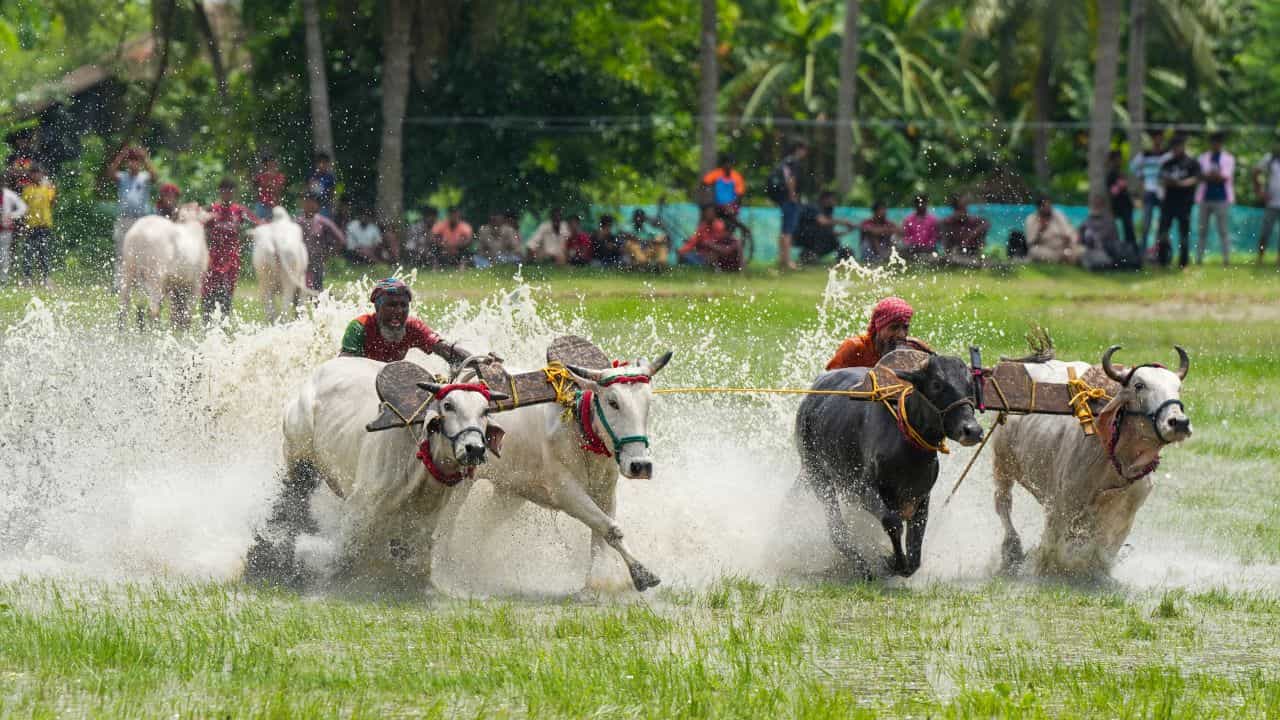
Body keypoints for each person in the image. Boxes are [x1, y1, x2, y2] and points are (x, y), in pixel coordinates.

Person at [340, 278, 480, 364]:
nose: (399, 311)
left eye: (403, 305)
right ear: (377, 307)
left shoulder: (413, 327)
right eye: (392, 305)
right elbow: (345, 367)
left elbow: (444, 349)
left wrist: (476, 363)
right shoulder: (359, 327)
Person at [203, 178, 262, 319]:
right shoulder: (212, 210)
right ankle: (207, 320)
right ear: (220, 192)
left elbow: (258, 224)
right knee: (209, 289)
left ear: (233, 192)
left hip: (231, 258)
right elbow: (199, 225)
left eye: (229, 191)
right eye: (224, 191)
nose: (227, 194)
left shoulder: (239, 211)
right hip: (213, 256)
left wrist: (248, 236)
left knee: (227, 290)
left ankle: (225, 321)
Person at [826, 296, 932, 370]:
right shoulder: (855, 348)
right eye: (894, 328)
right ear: (878, 327)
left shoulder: (915, 348)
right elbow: (828, 383)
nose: (901, 334)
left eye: (905, 327)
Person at [105, 146, 155, 289]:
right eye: (131, 160)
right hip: (125, 219)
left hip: (140, 220)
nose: (133, 163)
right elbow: (110, 174)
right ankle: (119, 284)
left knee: (142, 252)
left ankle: (141, 283)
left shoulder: (144, 177)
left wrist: (145, 158)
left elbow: (155, 176)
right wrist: (120, 156)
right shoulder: (123, 177)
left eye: (136, 161)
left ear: (140, 162)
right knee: (122, 251)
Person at [1157, 134, 1201, 268]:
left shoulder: (1191, 163)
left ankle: (1183, 262)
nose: (1176, 149)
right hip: (1168, 203)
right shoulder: (1167, 163)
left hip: (1184, 203)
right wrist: (1170, 182)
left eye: (1178, 146)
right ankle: (1163, 260)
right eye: (1174, 147)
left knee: (1184, 234)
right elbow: (1161, 179)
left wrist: (1180, 183)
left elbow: (1196, 179)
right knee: (1163, 232)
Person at [1196, 131, 1234, 265]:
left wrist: (1210, 176)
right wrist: (1213, 176)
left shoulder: (1228, 158)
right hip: (1205, 198)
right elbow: (1200, 176)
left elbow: (1225, 177)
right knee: (1202, 230)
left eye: (1217, 142)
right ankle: (1199, 258)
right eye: (1213, 142)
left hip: (1222, 198)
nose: (1215, 144)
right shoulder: (1203, 158)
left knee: (1223, 230)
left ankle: (1226, 259)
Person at [768, 139, 808, 269]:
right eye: (804, 150)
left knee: (784, 229)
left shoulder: (785, 161)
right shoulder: (793, 162)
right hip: (789, 200)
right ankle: (787, 260)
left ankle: (782, 259)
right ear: (798, 149)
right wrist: (793, 196)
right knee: (788, 230)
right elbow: (791, 179)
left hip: (783, 200)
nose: (805, 153)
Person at [296, 192, 344, 291]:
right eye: (306, 202)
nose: (308, 205)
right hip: (300, 260)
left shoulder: (323, 222)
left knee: (317, 288)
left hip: (316, 260)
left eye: (311, 202)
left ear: (317, 206)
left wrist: (329, 253)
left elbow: (341, 239)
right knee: (298, 288)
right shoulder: (297, 222)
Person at [1079, 193, 1141, 271]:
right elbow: (1082, 236)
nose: (1096, 206)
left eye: (1097, 204)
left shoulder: (1108, 219)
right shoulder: (1088, 221)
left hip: (1108, 248)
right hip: (1098, 249)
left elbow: (1108, 237)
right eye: (1095, 204)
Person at [1129, 132, 1168, 253]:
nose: (1158, 141)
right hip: (1149, 190)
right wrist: (1141, 177)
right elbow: (1133, 166)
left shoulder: (1166, 154)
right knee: (1146, 223)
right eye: (1156, 138)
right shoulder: (1145, 154)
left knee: (1163, 223)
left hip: (1162, 192)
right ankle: (1142, 251)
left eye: (1160, 139)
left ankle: (1160, 251)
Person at [19, 164, 56, 286]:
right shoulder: (27, 189)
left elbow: (53, 202)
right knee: (28, 251)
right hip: (30, 225)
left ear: (42, 174)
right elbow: (23, 208)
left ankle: (46, 277)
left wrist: (49, 186)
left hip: (44, 225)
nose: (36, 176)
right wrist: (23, 224)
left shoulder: (48, 188)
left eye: (38, 173)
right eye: (33, 173)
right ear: (30, 175)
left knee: (43, 251)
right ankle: (27, 277)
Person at [794, 191, 855, 265]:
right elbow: (822, 221)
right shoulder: (814, 206)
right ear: (825, 199)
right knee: (825, 237)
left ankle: (812, 255)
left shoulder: (827, 210)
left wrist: (847, 231)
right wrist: (844, 222)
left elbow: (831, 233)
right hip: (806, 236)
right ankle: (809, 255)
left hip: (817, 237)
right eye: (833, 199)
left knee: (834, 242)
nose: (834, 202)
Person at [678, 204, 743, 271]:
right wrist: (682, 250)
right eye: (707, 213)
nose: (708, 215)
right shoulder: (703, 226)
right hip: (704, 254)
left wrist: (710, 244)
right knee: (687, 256)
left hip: (717, 253)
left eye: (710, 212)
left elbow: (720, 243)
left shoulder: (720, 226)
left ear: (714, 214)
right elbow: (693, 241)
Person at [1024, 195, 1080, 264]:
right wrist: (1041, 230)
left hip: (1063, 246)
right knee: (1034, 251)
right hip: (1047, 249)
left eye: (1049, 205)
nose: (1048, 208)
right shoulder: (1031, 219)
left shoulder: (1058, 215)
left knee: (1080, 250)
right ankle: (1063, 258)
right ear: (1039, 207)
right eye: (1045, 206)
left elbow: (1069, 232)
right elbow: (1030, 243)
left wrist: (1068, 239)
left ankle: (1066, 257)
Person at [937, 195, 990, 265]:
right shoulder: (948, 222)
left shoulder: (971, 220)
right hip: (955, 249)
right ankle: (950, 256)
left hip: (971, 249)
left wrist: (973, 234)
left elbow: (986, 223)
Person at [1252, 139, 1280, 265]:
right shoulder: (1270, 158)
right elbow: (1255, 172)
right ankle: (1260, 258)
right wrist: (1259, 191)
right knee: (1266, 231)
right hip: (1272, 202)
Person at [1107, 150, 1136, 251]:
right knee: (1124, 230)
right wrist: (1120, 185)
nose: (1119, 161)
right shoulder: (1111, 174)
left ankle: (1132, 251)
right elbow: (1113, 192)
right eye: (1116, 159)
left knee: (1129, 230)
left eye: (1119, 159)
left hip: (1127, 206)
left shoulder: (1120, 172)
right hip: (1119, 207)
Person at [1, 175, 28, 284]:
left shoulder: (8, 195)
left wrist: (11, 216)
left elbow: (23, 208)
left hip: (5, 230)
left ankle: (3, 279)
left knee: (4, 254)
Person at [900, 194, 938, 260]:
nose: (921, 205)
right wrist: (913, 244)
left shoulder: (933, 220)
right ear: (915, 205)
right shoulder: (908, 220)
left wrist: (927, 245)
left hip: (928, 248)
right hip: (913, 248)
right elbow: (906, 237)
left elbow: (934, 237)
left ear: (926, 204)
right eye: (918, 203)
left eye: (923, 203)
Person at [253, 154, 287, 220]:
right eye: (267, 163)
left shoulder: (280, 176)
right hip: (262, 205)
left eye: (271, 162)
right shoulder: (261, 176)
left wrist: (270, 182)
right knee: (261, 224)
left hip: (274, 206)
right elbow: (256, 188)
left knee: (275, 224)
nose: (269, 164)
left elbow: (278, 190)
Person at [306, 152, 337, 217]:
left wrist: (332, 206)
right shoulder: (311, 176)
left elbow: (332, 194)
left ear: (328, 164)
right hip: (311, 206)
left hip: (324, 207)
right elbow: (307, 191)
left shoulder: (330, 178)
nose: (321, 165)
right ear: (316, 164)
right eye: (320, 162)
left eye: (324, 163)